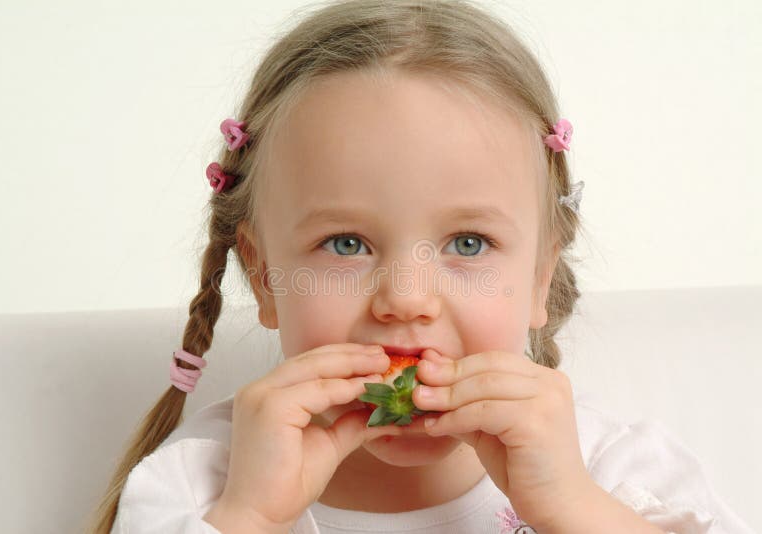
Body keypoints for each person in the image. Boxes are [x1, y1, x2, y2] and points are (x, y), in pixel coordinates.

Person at [86, 1, 755, 533]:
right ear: (263, 275)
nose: (406, 301)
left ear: (539, 279)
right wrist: (252, 520)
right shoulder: (200, 488)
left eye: (468, 244)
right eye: (346, 244)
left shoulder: (619, 475)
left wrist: (576, 513)